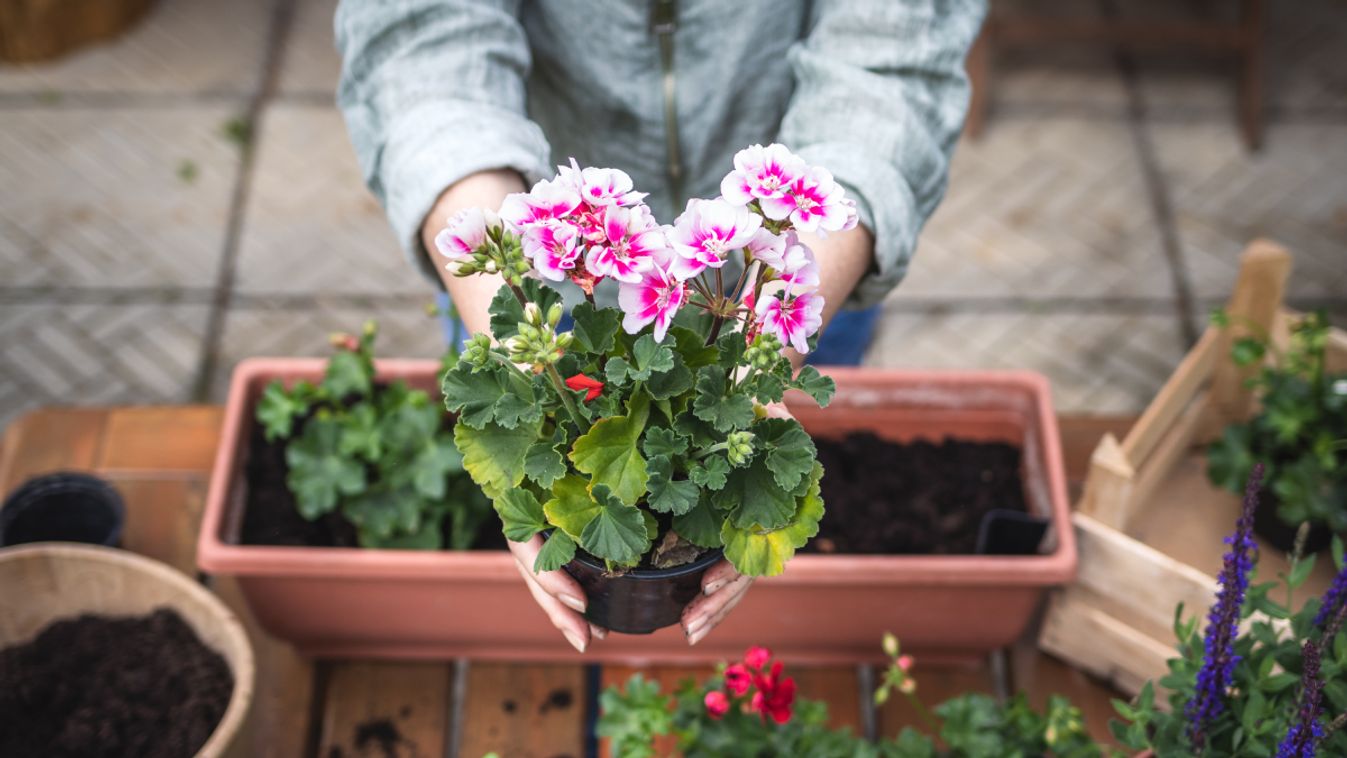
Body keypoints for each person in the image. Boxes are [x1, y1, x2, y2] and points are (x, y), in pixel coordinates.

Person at [336, 0, 985, 653]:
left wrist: (764, 369)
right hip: (536, 279)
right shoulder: (535, 279)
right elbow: (420, 45)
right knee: (520, 425)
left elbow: (891, 59)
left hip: (810, 267)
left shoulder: (781, 272)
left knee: (775, 461)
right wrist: (508, 328)